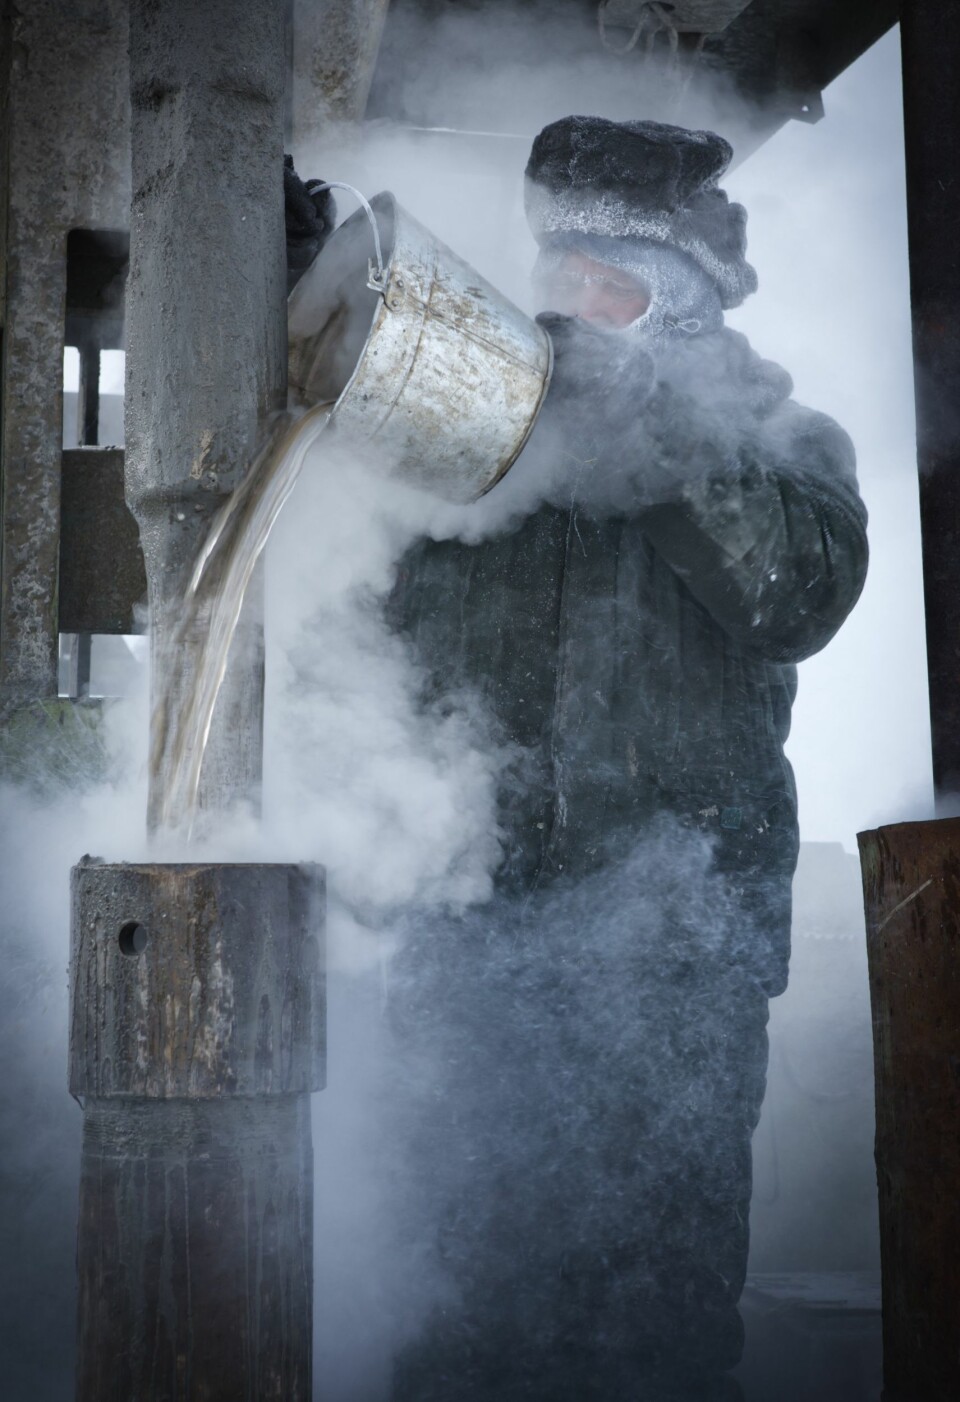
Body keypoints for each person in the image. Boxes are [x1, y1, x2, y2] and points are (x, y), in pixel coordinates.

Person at [286, 120, 868, 1401]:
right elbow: (327, 543)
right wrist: (309, 296)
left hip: (676, 960)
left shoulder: (787, 444)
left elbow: (799, 597)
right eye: (560, 275)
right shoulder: (475, 438)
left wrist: (656, 439)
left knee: (650, 1313)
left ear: (692, 304)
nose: (573, 309)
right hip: (470, 946)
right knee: (455, 1301)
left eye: (618, 280)